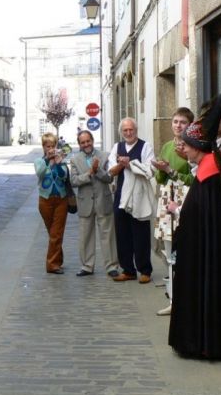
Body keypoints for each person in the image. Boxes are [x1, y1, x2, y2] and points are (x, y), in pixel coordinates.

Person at [167, 70, 221, 361]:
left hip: (206, 256)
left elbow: (198, 215)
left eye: (187, 146)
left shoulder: (211, 172)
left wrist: (179, 211)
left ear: (199, 146)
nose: (184, 150)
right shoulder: (212, 165)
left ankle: (202, 341)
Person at [151, 107, 195, 316]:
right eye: (175, 121)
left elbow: (193, 180)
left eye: (182, 122)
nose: (178, 125)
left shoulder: (192, 147)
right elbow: (161, 179)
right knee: (169, 254)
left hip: (183, 201)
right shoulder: (168, 146)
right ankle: (172, 300)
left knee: (183, 252)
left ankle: (185, 300)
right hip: (166, 199)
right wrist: (160, 170)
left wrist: (170, 170)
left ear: (190, 125)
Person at [108, 118, 155, 284]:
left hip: (139, 196)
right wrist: (122, 165)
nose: (128, 133)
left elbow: (150, 171)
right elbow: (111, 171)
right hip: (121, 195)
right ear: (121, 132)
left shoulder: (145, 146)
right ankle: (127, 270)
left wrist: (130, 165)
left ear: (136, 130)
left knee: (141, 233)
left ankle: (145, 270)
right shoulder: (117, 147)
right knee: (122, 234)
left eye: (131, 130)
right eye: (125, 130)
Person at [69, 130, 118, 277]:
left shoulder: (105, 155)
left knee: (108, 235)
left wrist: (98, 171)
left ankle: (111, 266)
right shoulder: (75, 159)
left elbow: (109, 177)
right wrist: (89, 173)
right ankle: (87, 266)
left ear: (92, 140)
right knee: (86, 236)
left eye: (88, 141)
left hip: (103, 200)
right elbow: (74, 181)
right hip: (85, 203)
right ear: (79, 144)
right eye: (82, 142)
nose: (86, 144)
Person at [34, 132, 71, 274]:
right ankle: (58, 259)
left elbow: (64, 176)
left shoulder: (60, 159)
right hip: (45, 200)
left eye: (52, 146)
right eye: (47, 146)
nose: (50, 149)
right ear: (43, 147)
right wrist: (48, 161)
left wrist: (59, 162)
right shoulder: (39, 161)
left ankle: (52, 265)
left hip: (61, 200)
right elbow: (40, 173)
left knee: (57, 232)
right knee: (53, 233)